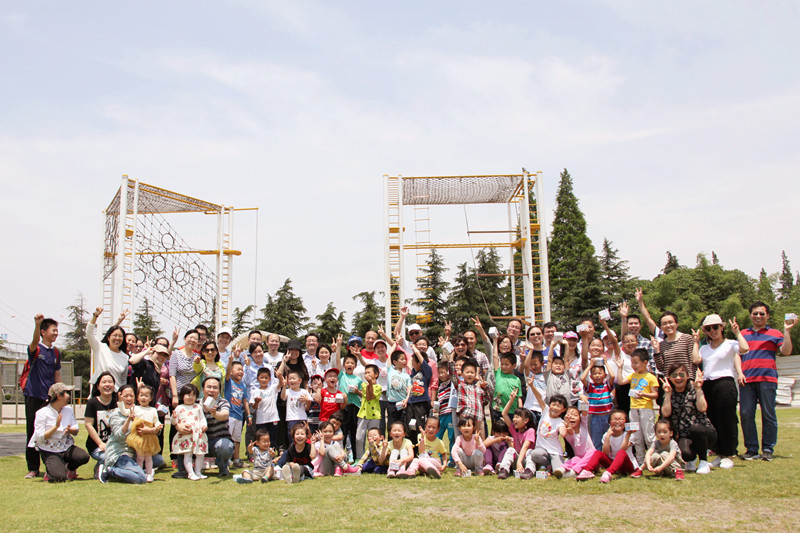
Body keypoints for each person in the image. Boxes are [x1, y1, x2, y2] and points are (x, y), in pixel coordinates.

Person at [739, 301, 796, 461]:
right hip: (746, 379)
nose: (758, 316)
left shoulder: (775, 333)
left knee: (768, 414)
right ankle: (751, 449)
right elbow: (737, 354)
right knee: (746, 414)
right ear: (750, 315)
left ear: (768, 316)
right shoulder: (743, 334)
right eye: (755, 313)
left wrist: (786, 330)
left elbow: (786, 351)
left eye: (762, 313)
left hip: (767, 379)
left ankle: (767, 449)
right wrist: (739, 373)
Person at [692, 314, 748, 468]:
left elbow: (745, 348)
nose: (713, 331)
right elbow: (695, 360)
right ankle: (719, 453)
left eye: (715, 327)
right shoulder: (704, 348)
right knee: (713, 420)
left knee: (727, 419)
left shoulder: (730, 344)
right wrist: (696, 342)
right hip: (708, 384)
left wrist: (737, 333)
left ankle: (729, 453)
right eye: (708, 328)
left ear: (722, 328)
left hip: (725, 383)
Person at [24, 314, 62, 479]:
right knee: (33, 432)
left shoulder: (56, 352)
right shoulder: (36, 349)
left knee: (52, 431)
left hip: (49, 399)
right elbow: (33, 342)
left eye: (57, 330)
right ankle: (33, 468)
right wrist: (37, 324)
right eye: (53, 330)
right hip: (34, 396)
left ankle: (51, 465)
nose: (56, 333)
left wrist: (61, 393)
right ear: (43, 332)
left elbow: (57, 375)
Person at [100, 384, 163, 484]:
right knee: (140, 478)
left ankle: (136, 470)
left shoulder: (141, 411)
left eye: (131, 395)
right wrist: (129, 419)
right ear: (120, 397)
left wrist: (152, 430)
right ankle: (109, 470)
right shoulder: (116, 414)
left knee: (158, 459)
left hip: (136, 450)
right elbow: (119, 436)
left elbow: (155, 426)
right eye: (125, 396)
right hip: (121, 453)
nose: (129, 398)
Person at [661, 363, 716, 474]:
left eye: (682, 375)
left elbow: (702, 408)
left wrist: (698, 389)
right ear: (669, 378)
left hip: (704, 433)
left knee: (696, 429)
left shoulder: (694, 389)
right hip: (685, 435)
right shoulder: (669, 392)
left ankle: (704, 461)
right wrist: (668, 394)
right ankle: (692, 460)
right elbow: (666, 413)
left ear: (687, 376)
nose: (678, 378)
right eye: (674, 375)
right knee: (686, 454)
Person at [28, 383, 89, 482]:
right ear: (59, 396)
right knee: (59, 477)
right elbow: (40, 437)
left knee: (83, 457)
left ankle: (69, 468)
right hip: (49, 449)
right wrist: (55, 427)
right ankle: (52, 471)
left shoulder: (68, 410)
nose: (69, 396)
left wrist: (70, 430)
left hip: (65, 446)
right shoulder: (42, 413)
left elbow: (76, 429)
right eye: (67, 393)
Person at [616, 348, 658, 465]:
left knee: (649, 436)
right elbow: (620, 381)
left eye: (636, 363)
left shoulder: (651, 377)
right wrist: (620, 368)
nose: (633, 365)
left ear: (645, 363)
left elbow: (655, 394)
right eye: (632, 363)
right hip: (633, 409)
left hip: (646, 409)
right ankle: (640, 462)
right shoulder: (633, 375)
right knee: (636, 436)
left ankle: (653, 460)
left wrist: (643, 394)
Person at [87, 308, 131, 392]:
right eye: (115, 336)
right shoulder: (100, 348)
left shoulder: (125, 357)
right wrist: (95, 316)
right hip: (99, 392)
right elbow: (89, 333)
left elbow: (123, 380)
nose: (117, 338)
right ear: (108, 337)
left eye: (120, 336)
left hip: (115, 394)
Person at [171, 384, 208, 480]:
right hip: (186, 435)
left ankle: (198, 472)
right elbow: (174, 422)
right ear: (182, 396)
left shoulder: (197, 406)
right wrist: (174, 418)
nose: (191, 397)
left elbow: (202, 418)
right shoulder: (179, 408)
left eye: (193, 395)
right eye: (188, 395)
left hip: (198, 434)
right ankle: (190, 473)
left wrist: (204, 425)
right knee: (188, 454)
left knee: (200, 453)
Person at [496, 390, 536, 479]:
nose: (514, 419)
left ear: (525, 420)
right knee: (511, 449)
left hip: (526, 460)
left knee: (530, 451)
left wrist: (519, 462)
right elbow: (504, 414)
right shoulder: (514, 429)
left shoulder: (530, 431)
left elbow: (525, 447)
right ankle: (503, 470)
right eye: (514, 417)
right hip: (517, 460)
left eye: (517, 417)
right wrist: (511, 400)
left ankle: (529, 471)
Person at [84, 372, 118, 477]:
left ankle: (105, 468)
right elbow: (88, 425)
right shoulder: (92, 403)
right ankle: (100, 467)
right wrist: (101, 444)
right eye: (104, 382)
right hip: (97, 445)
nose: (107, 384)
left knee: (121, 458)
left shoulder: (118, 401)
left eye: (110, 382)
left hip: (116, 445)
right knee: (109, 457)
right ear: (98, 386)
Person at [199, 376, 234, 476]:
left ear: (219, 391)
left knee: (226, 447)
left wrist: (215, 414)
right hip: (199, 441)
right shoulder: (196, 404)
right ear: (203, 389)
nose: (211, 390)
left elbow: (225, 415)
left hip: (217, 441)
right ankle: (187, 469)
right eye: (208, 387)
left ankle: (223, 467)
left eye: (215, 388)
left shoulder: (223, 402)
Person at [553, 405, 596, 480]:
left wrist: (584, 402)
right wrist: (567, 423)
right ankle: (562, 469)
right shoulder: (568, 433)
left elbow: (585, 412)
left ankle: (574, 471)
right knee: (575, 459)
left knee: (593, 452)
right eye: (569, 415)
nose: (572, 417)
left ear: (580, 418)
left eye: (575, 415)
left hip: (591, 460)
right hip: (579, 459)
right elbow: (569, 433)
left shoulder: (583, 425)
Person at [224, 359, 250, 467]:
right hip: (229, 415)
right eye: (238, 369)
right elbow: (226, 373)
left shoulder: (243, 386)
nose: (240, 372)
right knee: (228, 438)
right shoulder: (229, 382)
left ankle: (236, 459)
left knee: (237, 439)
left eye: (242, 370)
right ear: (231, 371)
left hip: (239, 416)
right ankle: (225, 460)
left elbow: (245, 401)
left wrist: (249, 415)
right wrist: (230, 361)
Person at [356, 364, 382, 460]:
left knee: (374, 438)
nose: (367, 374)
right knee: (359, 437)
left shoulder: (379, 387)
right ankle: (359, 457)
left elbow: (372, 397)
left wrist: (370, 384)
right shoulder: (364, 385)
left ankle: (374, 457)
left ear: (376, 374)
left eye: (369, 372)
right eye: (365, 373)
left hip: (375, 415)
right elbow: (367, 397)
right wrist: (369, 384)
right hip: (363, 414)